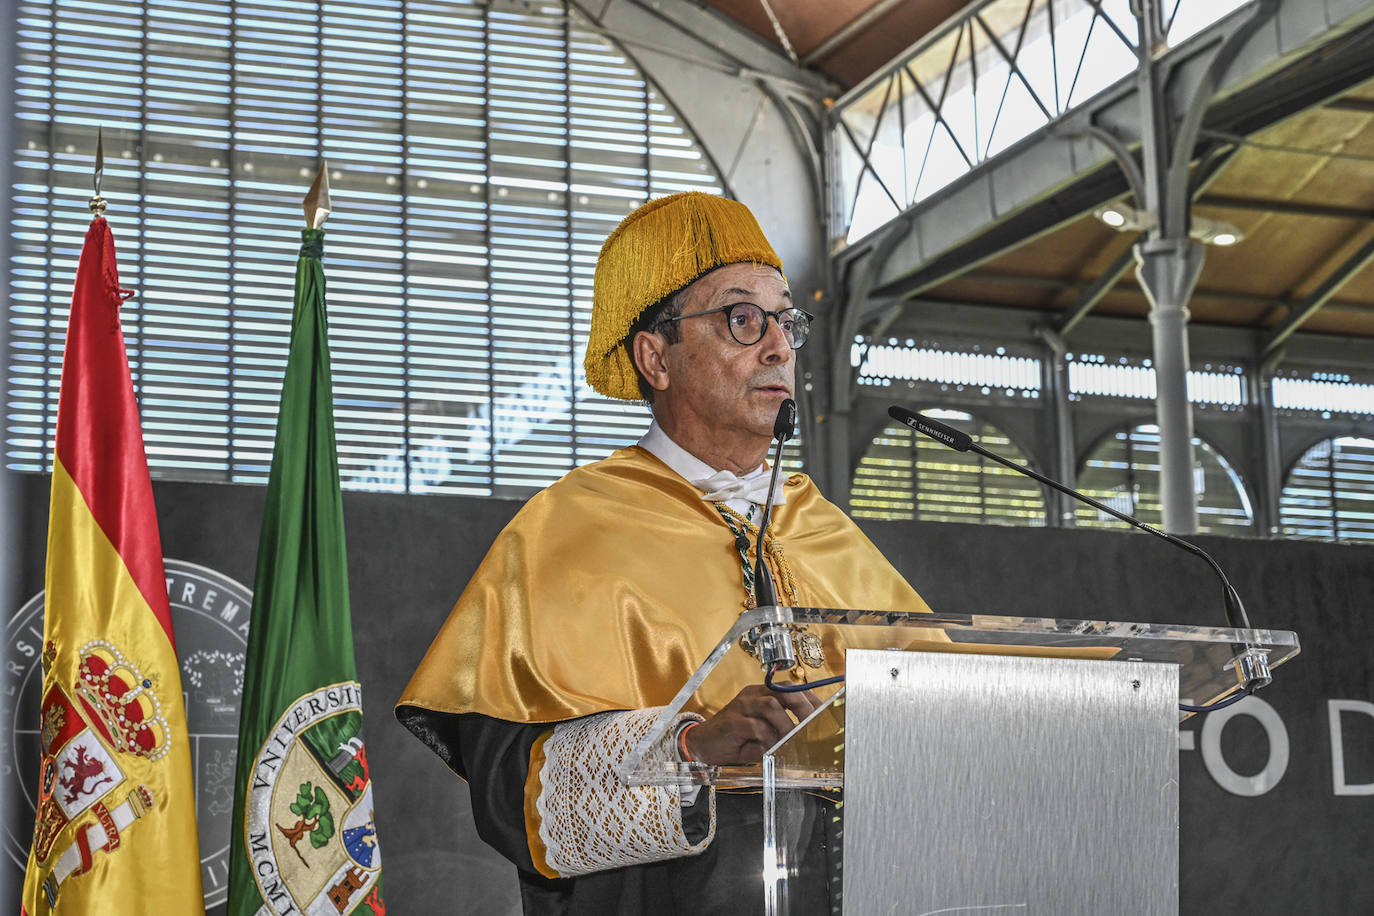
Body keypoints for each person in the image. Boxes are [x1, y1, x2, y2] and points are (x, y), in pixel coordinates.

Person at [396, 192, 931, 914]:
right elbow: (508, 792)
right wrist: (691, 750)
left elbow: (932, 710)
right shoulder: (571, 528)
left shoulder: (822, 527)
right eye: (743, 319)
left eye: (786, 322)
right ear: (656, 356)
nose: (778, 347)